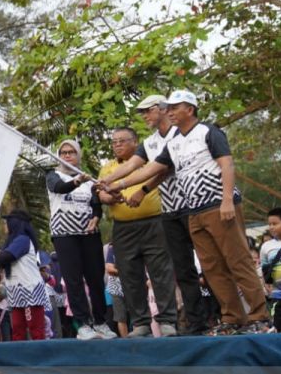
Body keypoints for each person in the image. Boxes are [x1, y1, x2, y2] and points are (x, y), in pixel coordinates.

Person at [102, 90, 269, 335]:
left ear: (189, 109)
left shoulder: (209, 132)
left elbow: (227, 164)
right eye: (167, 107)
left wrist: (226, 201)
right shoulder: (174, 143)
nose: (169, 111)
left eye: (174, 107)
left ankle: (259, 317)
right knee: (212, 268)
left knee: (237, 260)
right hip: (194, 211)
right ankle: (233, 318)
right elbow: (150, 170)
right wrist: (115, 184)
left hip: (218, 206)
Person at [94, 126, 179, 338]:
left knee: (161, 272)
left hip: (154, 223)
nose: (117, 145)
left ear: (135, 142)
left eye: (122, 140)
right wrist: (109, 197)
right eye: (113, 142)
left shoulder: (151, 161)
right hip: (123, 228)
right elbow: (100, 195)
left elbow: (158, 176)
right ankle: (140, 323)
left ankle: (167, 320)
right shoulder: (108, 169)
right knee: (130, 275)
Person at [46, 139, 114, 340]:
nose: (67, 156)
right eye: (64, 152)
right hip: (64, 234)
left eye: (72, 152)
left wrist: (95, 217)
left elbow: (96, 204)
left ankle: (101, 322)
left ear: (78, 155)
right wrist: (77, 181)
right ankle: (83, 324)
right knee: (73, 280)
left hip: (89, 234)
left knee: (95, 279)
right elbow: (59, 188)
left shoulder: (89, 179)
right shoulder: (52, 175)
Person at [0, 211, 49, 341]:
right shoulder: (12, 241)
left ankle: (40, 359)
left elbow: (6, 257)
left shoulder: (23, 240)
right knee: (17, 330)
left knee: (35, 330)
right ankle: (21, 360)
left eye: (6, 222)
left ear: (14, 223)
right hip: (16, 292)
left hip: (29, 290)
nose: (4, 225)